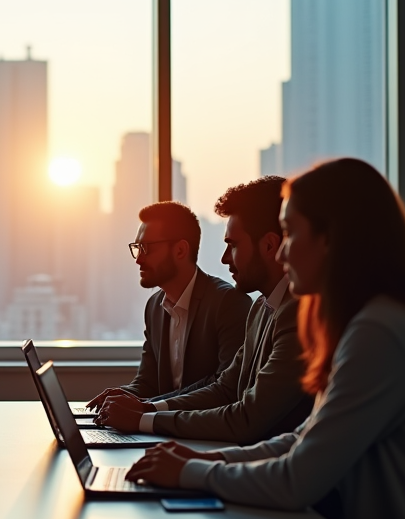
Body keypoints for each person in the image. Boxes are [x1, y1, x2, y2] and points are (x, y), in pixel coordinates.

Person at [127, 158, 405, 519]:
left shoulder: (381, 331)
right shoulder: (371, 319)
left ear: (330, 238)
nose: (281, 255)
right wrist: (203, 463)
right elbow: (302, 438)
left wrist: (189, 472)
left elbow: (296, 479)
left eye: (290, 234)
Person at [94, 177, 313, 444]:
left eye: (232, 245)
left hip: (263, 468)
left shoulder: (297, 316)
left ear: (268, 246)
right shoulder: (261, 308)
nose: (224, 258)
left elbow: (246, 418)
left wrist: (143, 419)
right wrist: (147, 408)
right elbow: (225, 390)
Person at [88, 201, 251, 410]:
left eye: (146, 248)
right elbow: (147, 383)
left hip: (204, 433)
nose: (139, 260)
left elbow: (225, 387)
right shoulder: (154, 306)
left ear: (181, 250)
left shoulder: (228, 303)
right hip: (161, 428)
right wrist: (121, 395)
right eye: (137, 248)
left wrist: (148, 407)